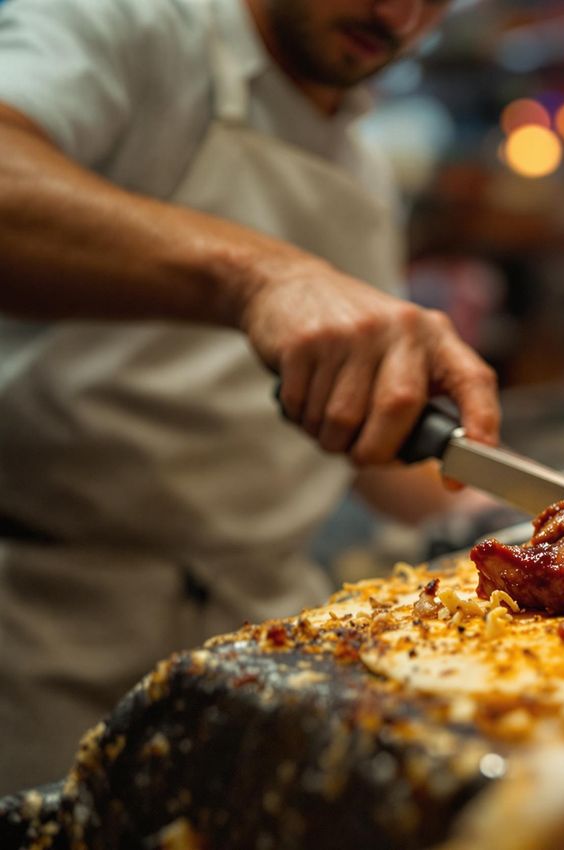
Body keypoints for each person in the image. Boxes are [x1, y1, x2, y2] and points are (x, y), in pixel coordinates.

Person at [0, 0, 499, 792]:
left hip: (265, 632)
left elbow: (365, 430)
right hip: (47, 623)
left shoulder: (363, 173)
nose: (400, 13)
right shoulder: (130, 25)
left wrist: (480, 507)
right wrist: (262, 275)